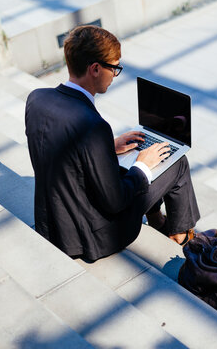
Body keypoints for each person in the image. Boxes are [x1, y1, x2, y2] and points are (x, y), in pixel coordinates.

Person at [25, 25, 200, 262]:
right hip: (94, 236)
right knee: (175, 163)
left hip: (53, 223)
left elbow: (64, 152)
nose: (115, 75)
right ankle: (179, 235)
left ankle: (158, 220)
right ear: (95, 69)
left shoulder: (36, 99)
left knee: (133, 162)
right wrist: (142, 166)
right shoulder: (93, 126)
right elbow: (115, 201)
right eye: (115, 68)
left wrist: (108, 147)